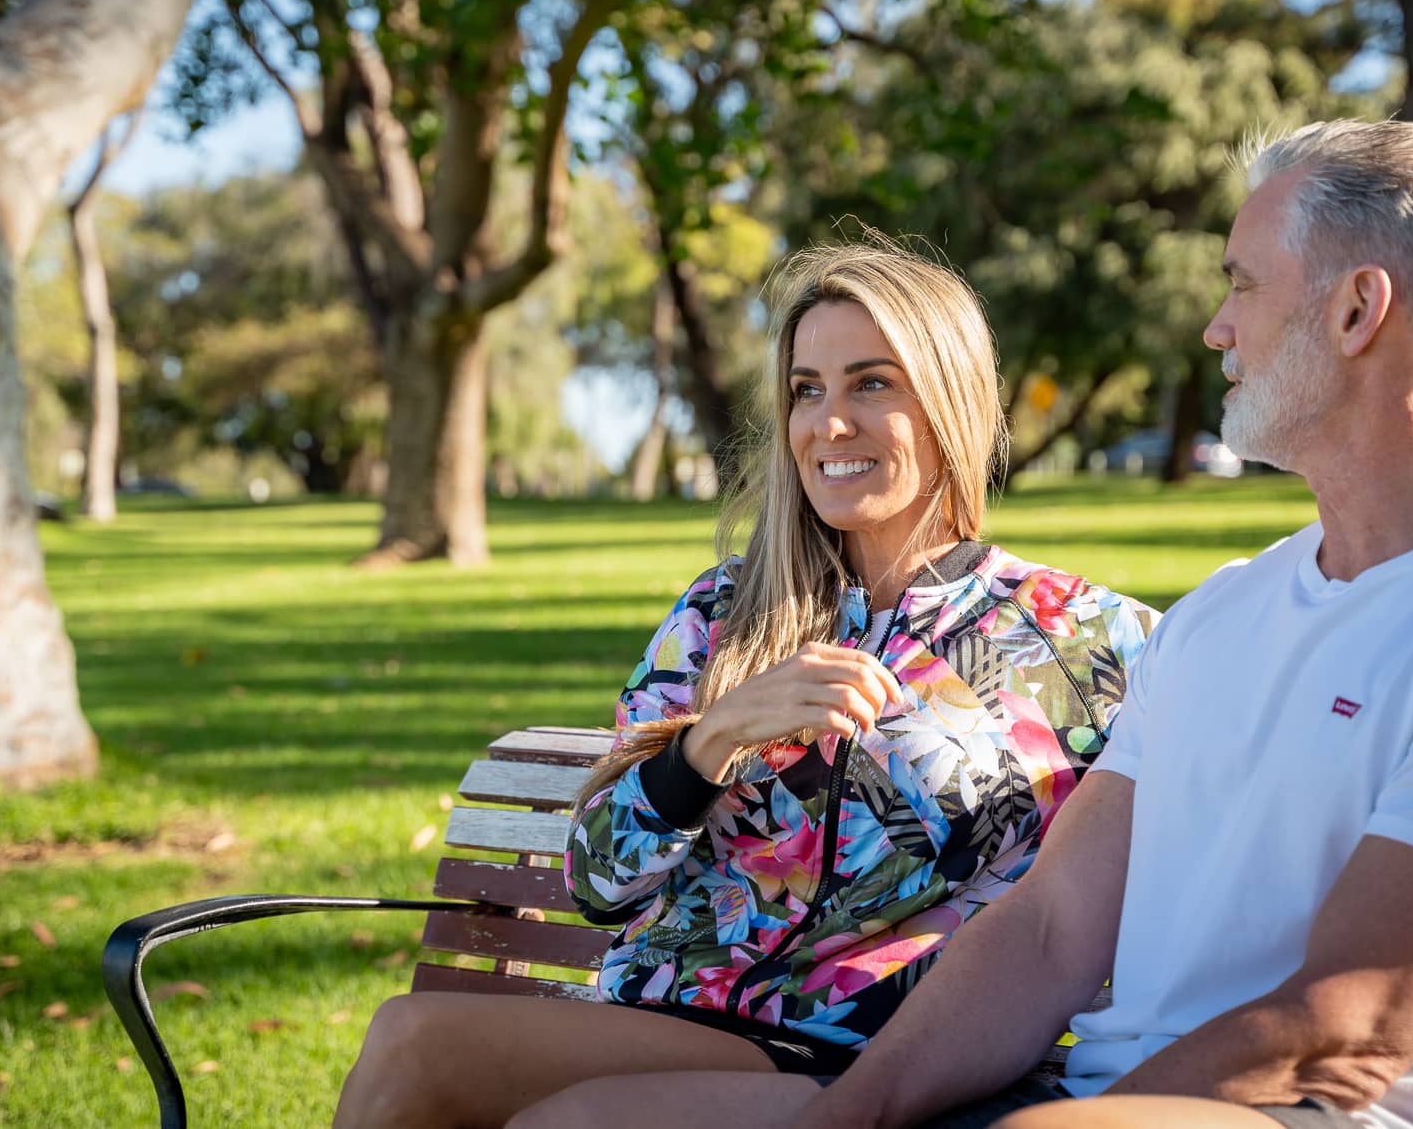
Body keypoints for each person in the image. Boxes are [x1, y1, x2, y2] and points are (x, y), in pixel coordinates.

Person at [765, 120, 1413, 1129]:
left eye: (1240, 283)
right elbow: (1051, 929)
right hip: (1099, 1105)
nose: (1213, 326)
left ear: (1356, 309)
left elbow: (1341, 1029)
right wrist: (846, 1117)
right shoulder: (1221, 614)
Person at [332, 243, 1158, 1128]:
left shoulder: (1088, 639)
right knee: (411, 1039)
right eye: (807, 389)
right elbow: (597, 885)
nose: (829, 424)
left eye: (872, 384)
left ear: (950, 396)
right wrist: (711, 738)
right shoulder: (724, 609)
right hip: (670, 1010)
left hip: (864, 1053)